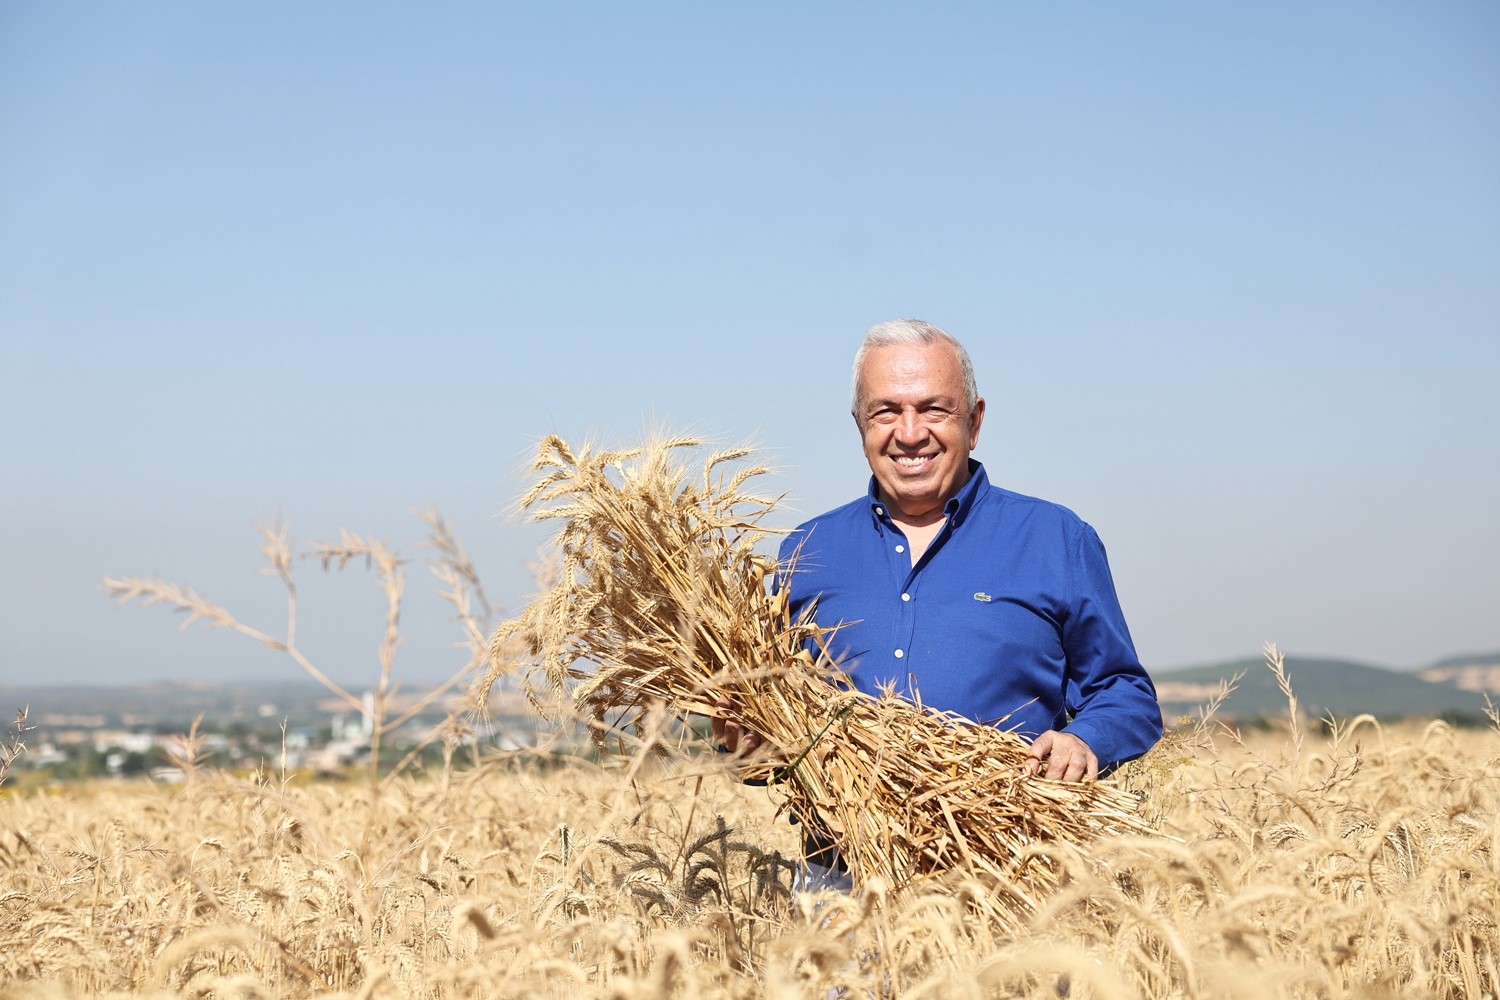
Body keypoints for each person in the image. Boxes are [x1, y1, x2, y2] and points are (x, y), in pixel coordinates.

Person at [715, 318, 1163, 889]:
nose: (909, 433)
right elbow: (766, 733)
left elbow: (1125, 693)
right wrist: (746, 741)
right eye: (886, 412)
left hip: (1011, 876)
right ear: (859, 425)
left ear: (974, 422)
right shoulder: (805, 551)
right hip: (842, 885)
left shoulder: (1056, 538)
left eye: (934, 409)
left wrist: (1085, 739)